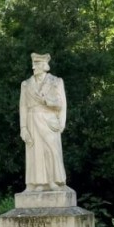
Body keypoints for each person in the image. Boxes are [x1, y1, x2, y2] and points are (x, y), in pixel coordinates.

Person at [19, 53, 67, 191]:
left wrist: (48, 102)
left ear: (44, 66)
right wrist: (23, 127)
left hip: (49, 120)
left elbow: (61, 104)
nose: (34, 67)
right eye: (34, 64)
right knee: (35, 152)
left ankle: (53, 181)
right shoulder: (26, 84)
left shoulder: (56, 81)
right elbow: (23, 106)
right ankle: (38, 183)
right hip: (32, 120)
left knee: (52, 151)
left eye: (37, 64)